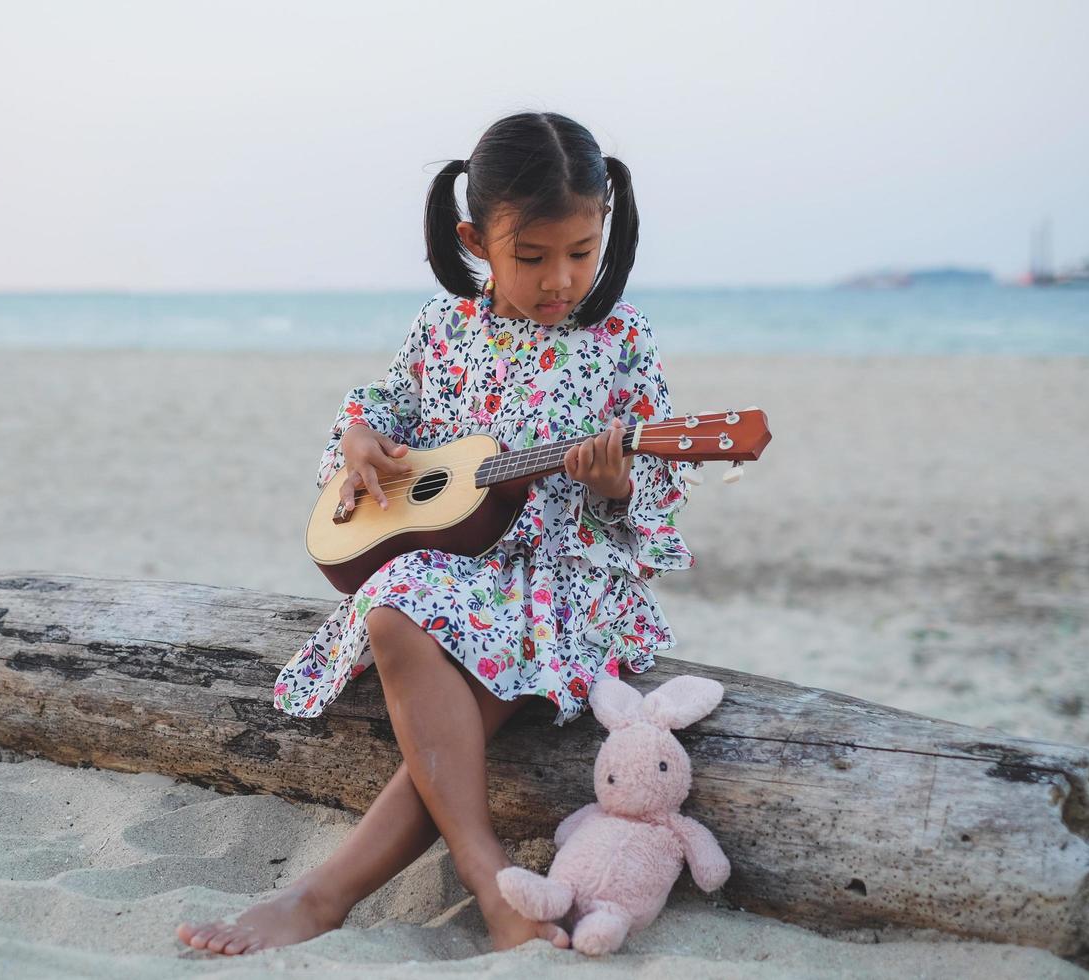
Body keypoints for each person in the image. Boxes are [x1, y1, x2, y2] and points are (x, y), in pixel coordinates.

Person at [178, 110, 699, 956]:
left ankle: (328, 897)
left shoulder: (621, 341)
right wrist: (357, 442)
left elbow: (653, 495)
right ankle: (484, 869)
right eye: (531, 257)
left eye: (582, 250)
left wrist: (614, 486)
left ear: (606, 227)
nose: (561, 278)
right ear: (475, 240)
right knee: (392, 600)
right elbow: (382, 407)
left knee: (421, 653)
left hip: (556, 579)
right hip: (449, 568)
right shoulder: (441, 327)